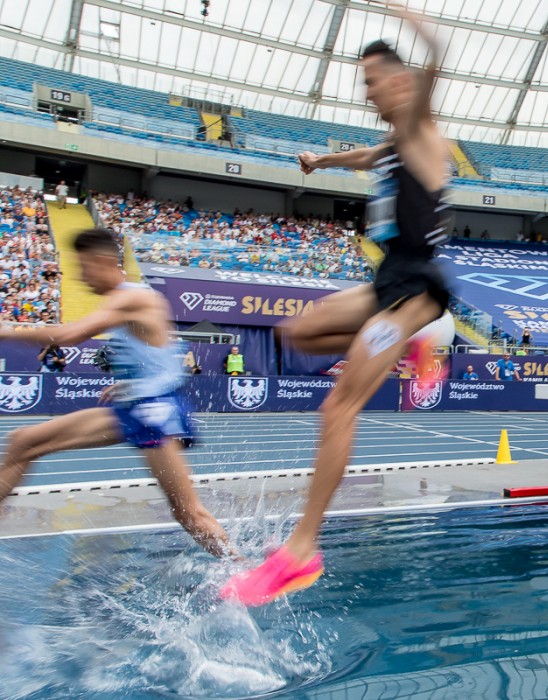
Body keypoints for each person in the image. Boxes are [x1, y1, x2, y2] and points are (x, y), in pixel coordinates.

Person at [221, 9, 453, 606]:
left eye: (373, 81)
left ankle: (301, 550)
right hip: (389, 278)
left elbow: (438, 56)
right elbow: (364, 159)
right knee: (298, 332)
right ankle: (410, 346)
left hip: (416, 289)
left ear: (399, 82)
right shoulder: (394, 145)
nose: (367, 92)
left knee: (338, 407)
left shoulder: (420, 126)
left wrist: (407, 17)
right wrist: (320, 162)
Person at [0, 228, 231, 557]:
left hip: (154, 413)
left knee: (187, 512)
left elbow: (68, 336)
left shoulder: (131, 297)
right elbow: (160, 350)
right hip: (132, 405)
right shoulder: (128, 300)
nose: (81, 278)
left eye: (83, 268)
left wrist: (7, 332)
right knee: (24, 441)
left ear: (103, 262)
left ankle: (243, 567)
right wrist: (130, 383)